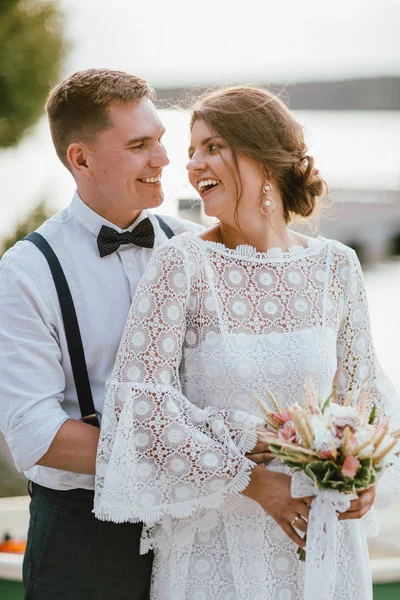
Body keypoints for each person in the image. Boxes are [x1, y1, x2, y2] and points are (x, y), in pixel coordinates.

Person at [94, 85, 400, 600]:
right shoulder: (182, 265)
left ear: (263, 155)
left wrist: (365, 472)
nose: (192, 165)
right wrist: (253, 476)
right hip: (217, 547)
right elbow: (141, 410)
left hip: (323, 538)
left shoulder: (336, 267)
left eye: (212, 146)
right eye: (192, 151)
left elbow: (365, 397)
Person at [0, 68, 203, 599]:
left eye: (160, 140)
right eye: (139, 145)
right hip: (82, 540)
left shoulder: (195, 247)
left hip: (198, 528)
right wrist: (182, 457)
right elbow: (34, 431)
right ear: (81, 158)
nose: (162, 160)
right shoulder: (26, 272)